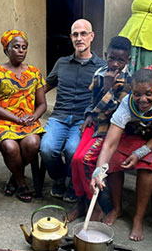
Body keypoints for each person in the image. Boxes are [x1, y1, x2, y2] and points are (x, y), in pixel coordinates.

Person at [91, 69, 152, 241]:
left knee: (147, 168)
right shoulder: (126, 104)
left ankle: (138, 218)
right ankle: (117, 208)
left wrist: (139, 154)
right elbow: (110, 143)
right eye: (137, 94)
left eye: (148, 94)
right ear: (131, 91)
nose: (143, 100)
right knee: (115, 160)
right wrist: (99, 170)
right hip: (135, 134)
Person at [40, 19, 107, 202]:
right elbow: (45, 87)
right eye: (75, 34)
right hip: (59, 117)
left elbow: (105, 98)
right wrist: (26, 104)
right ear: (71, 37)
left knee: (72, 150)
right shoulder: (61, 63)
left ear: (91, 36)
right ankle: (59, 178)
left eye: (83, 33)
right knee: (46, 148)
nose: (79, 38)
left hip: (82, 120)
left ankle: (72, 184)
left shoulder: (102, 67)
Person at [68, 36, 133, 222]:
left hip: (111, 129)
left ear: (128, 60)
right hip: (95, 123)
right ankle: (81, 203)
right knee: (74, 159)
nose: (115, 63)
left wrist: (108, 88)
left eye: (121, 60)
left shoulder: (128, 81)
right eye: (112, 58)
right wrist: (88, 115)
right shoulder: (100, 73)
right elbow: (92, 101)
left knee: (85, 159)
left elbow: (117, 112)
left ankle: (95, 204)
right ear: (106, 55)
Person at [0, 30, 47, 202]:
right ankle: (21, 182)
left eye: (24, 47)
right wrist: (15, 119)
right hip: (3, 121)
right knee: (10, 148)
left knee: (33, 143)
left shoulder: (35, 72)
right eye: (16, 47)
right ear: (7, 49)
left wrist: (33, 117)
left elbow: (42, 104)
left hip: (28, 121)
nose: (21, 51)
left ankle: (13, 176)